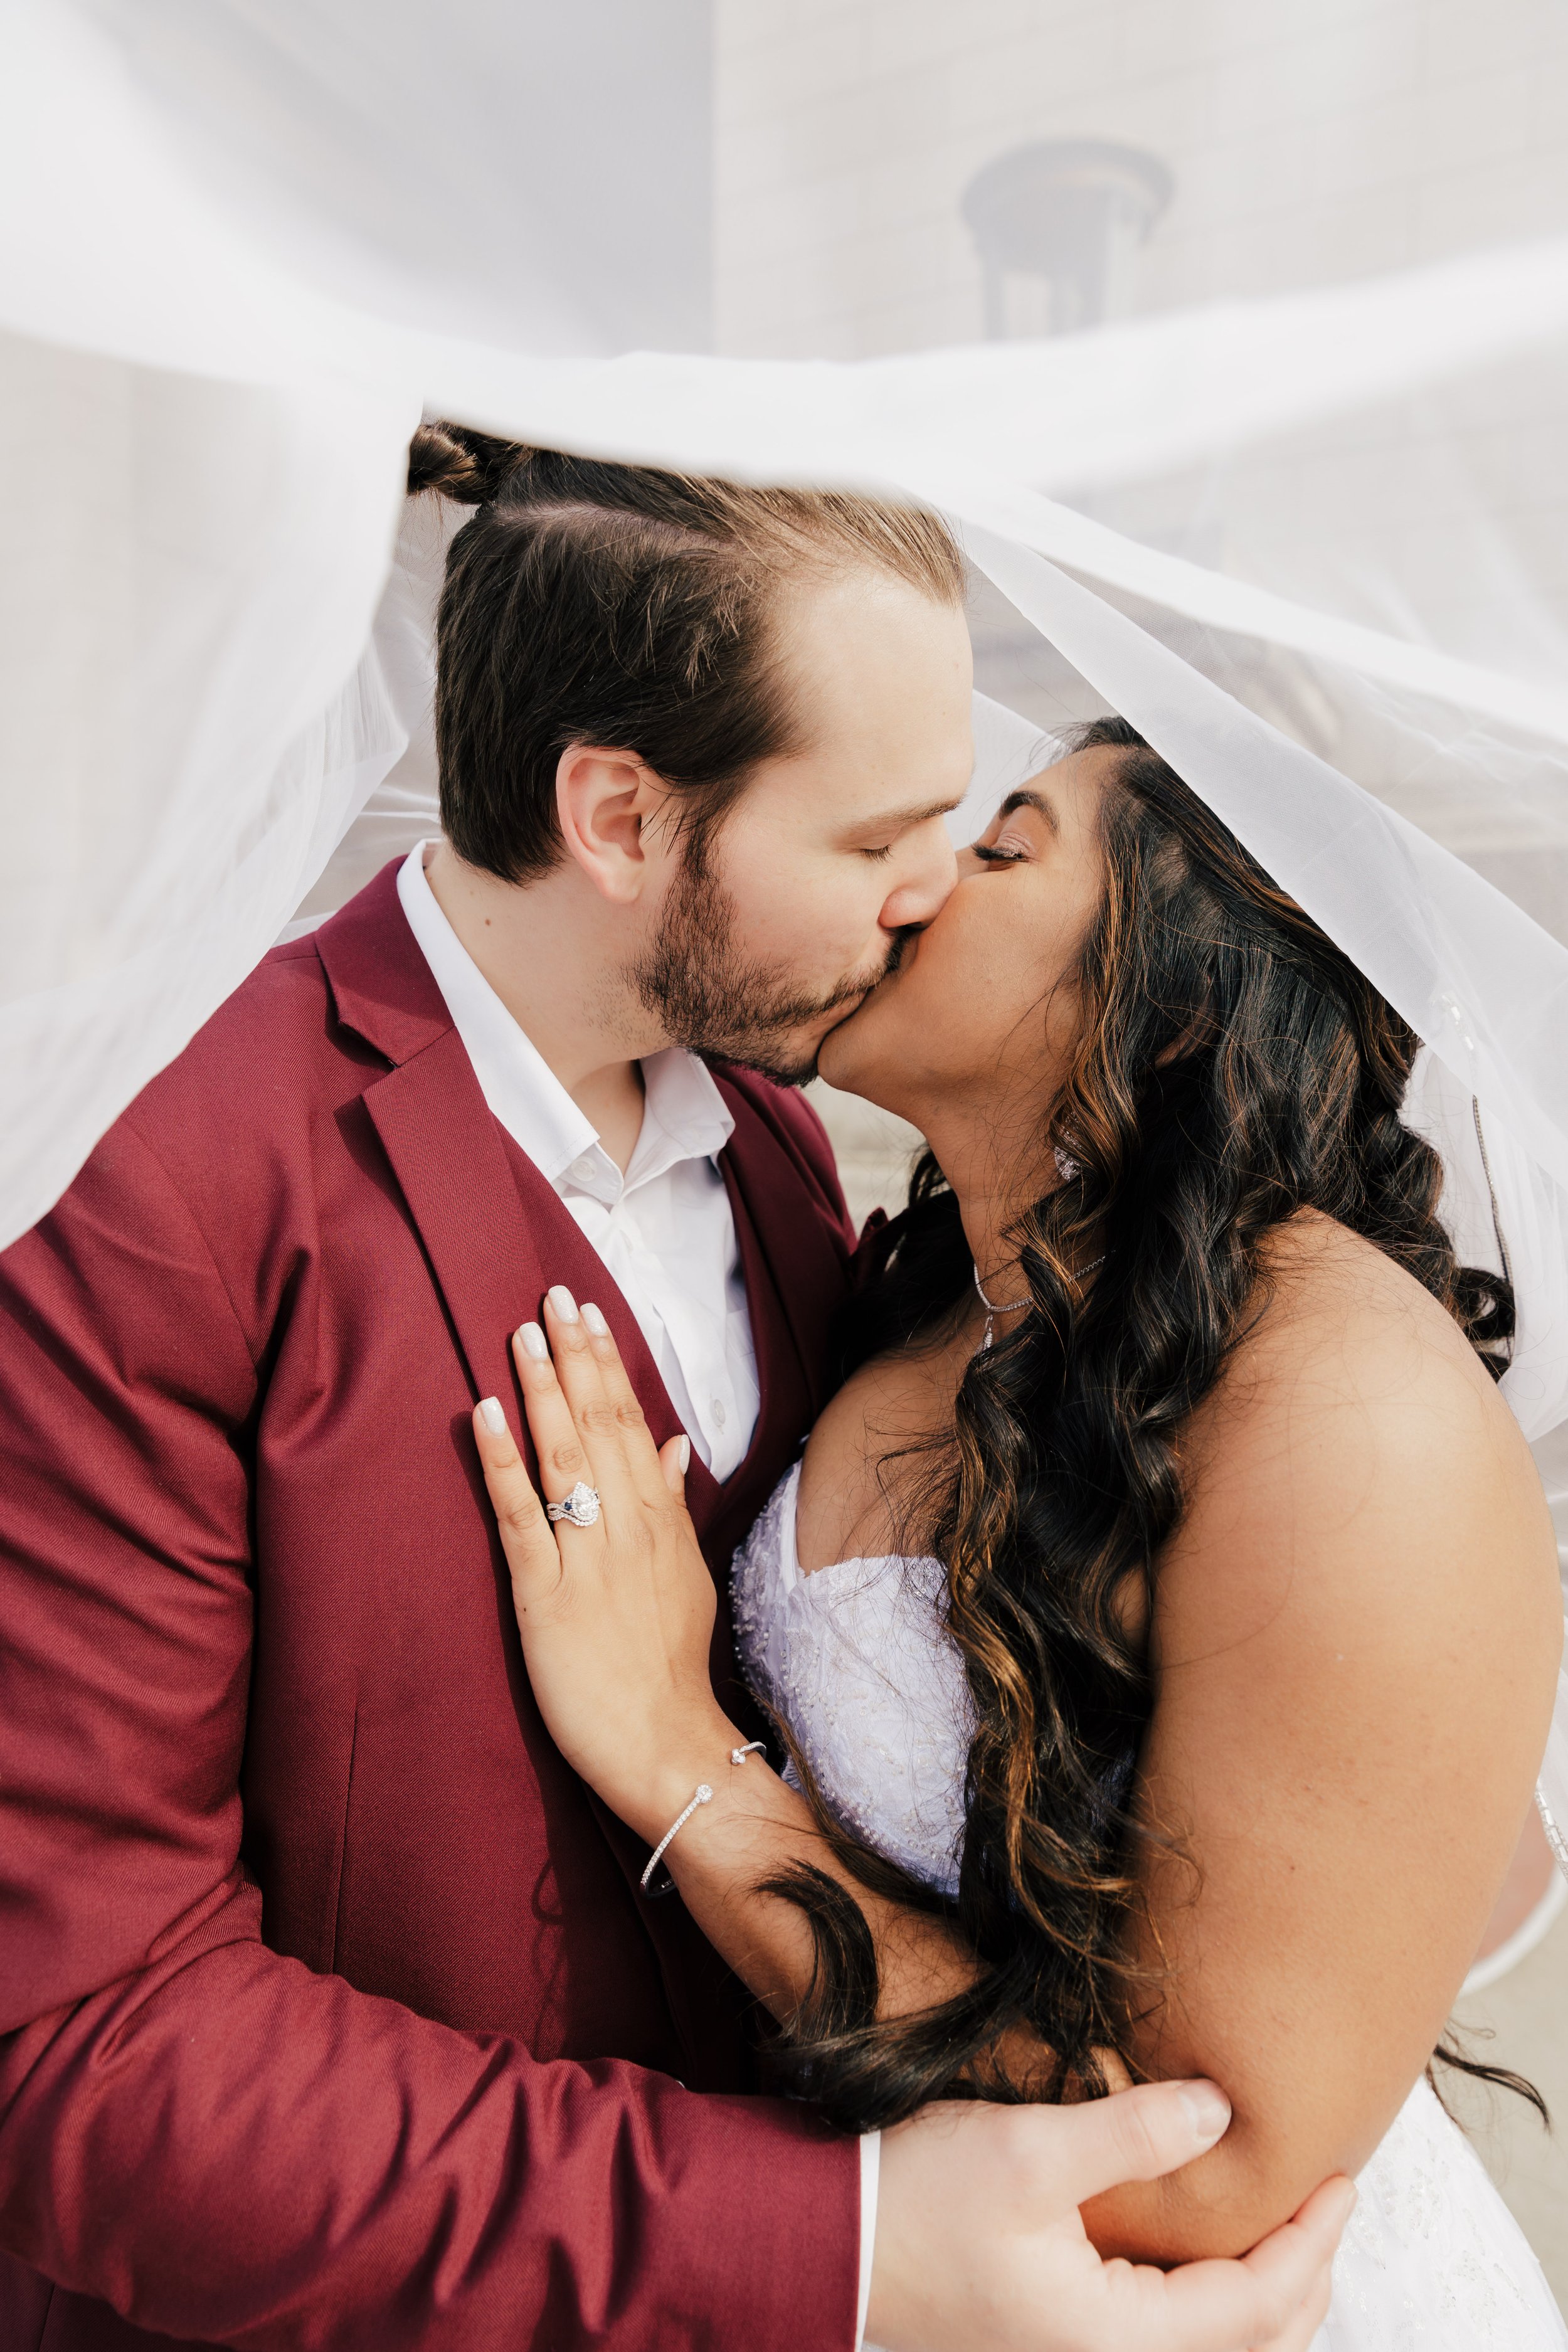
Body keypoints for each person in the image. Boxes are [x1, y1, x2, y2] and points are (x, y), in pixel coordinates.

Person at [0, 438, 1350, 2350]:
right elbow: (87, 2047)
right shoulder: (150, 1185)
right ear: (621, 815)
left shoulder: (790, 1134)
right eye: (876, 840)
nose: (924, 899)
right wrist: (851, 2252)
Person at [470, 719, 1568, 2348]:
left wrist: (681, 1767)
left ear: (1176, 989)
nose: (913, 881)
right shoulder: (932, 1306)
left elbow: (1203, 2166)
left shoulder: (1340, 1406)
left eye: (999, 850)